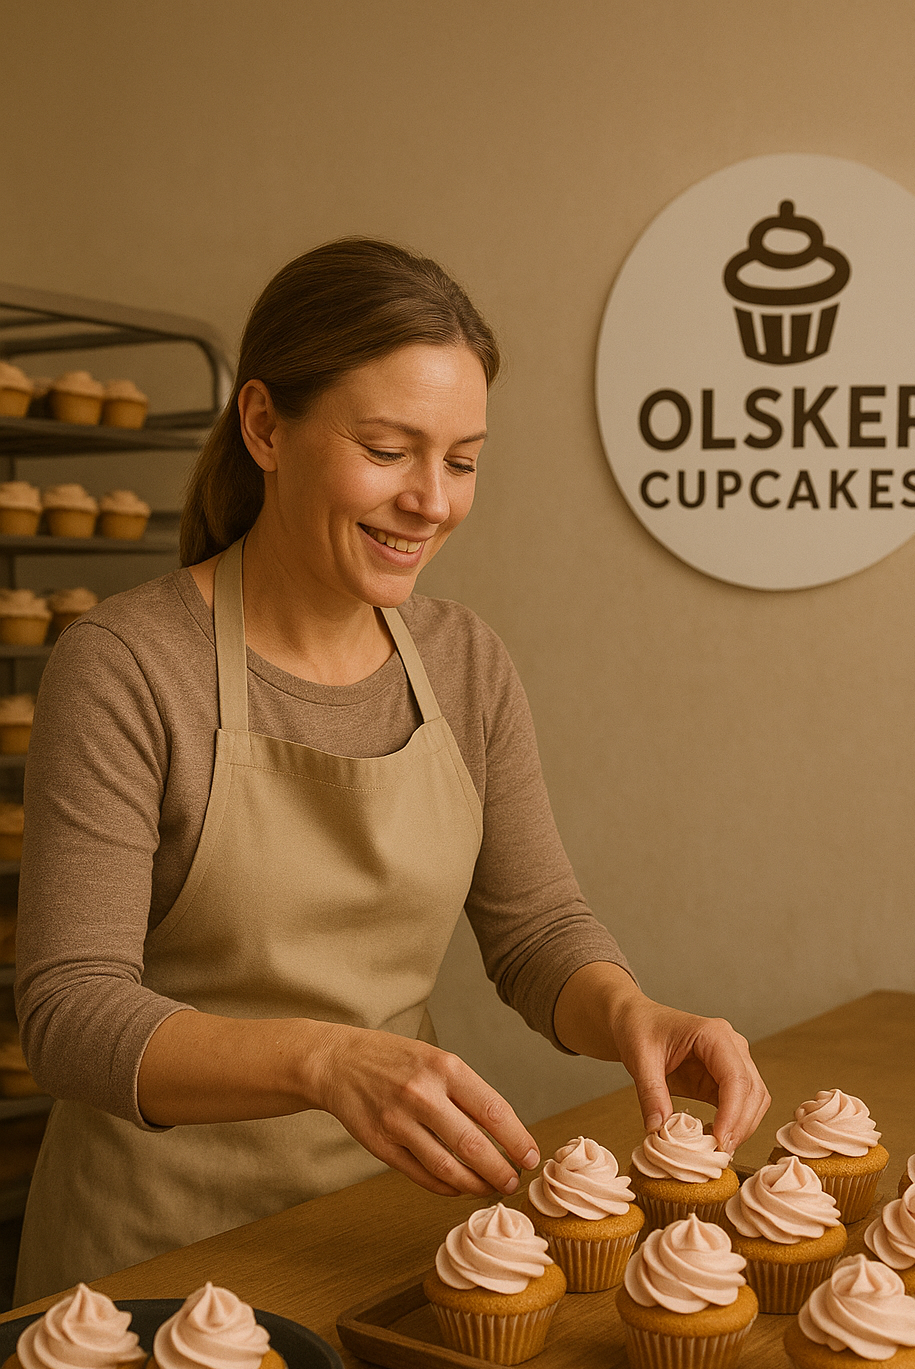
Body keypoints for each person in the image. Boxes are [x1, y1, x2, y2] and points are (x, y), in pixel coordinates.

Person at [14, 240, 769, 1304]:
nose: (431, 501)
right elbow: (69, 1012)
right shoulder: (128, 664)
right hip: (148, 1261)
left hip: (382, 1237)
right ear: (265, 426)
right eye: (387, 450)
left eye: (461, 461)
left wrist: (630, 1013)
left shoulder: (464, 663)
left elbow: (537, 929)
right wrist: (327, 1063)